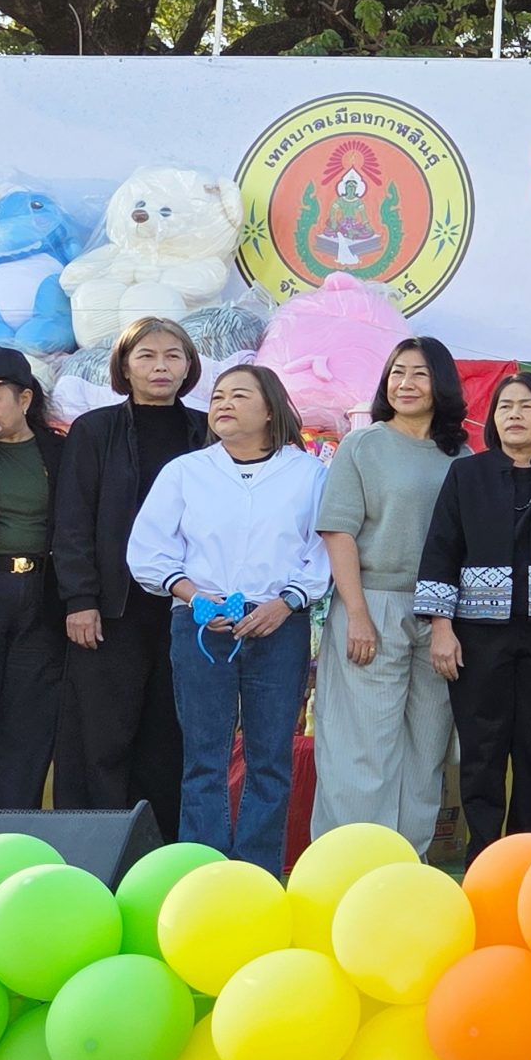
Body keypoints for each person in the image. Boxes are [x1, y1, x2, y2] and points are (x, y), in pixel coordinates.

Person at [126, 365, 330, 873]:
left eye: (239, 395)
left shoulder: (308, 475)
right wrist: (194, 596)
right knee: (204, 757)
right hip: (200, 625)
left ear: (270, 410)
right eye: (218, 396)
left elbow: (322, 549)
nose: (224, 404)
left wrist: (286, 602)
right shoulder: (185, 472)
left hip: (279, 624)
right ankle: (205, 870)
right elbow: (148, 548)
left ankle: (258, 873)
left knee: (270, 758)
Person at [312, 336, 470, 850]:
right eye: (397, 372)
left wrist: (447, 621)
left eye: (420, 373)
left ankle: (407, 865)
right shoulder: (363, 445)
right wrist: (357, 614)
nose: (406, 383)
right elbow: (338, 532)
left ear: (441, 383)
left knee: (426, 748)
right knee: (363, 749)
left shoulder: (461, 456)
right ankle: (352, 866)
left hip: (441, 615)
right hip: (372, 602)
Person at [52, 317, 205, 833]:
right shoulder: (95, 430)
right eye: (147, 356)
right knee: (102, 733)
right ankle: (93, 842)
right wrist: (80, 599)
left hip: (187, 608)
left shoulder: (207, 430)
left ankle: (161, 845)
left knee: (169, 732)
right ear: (124, 366)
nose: (161, 367)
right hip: (112, 607)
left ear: (189, 366)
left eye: (173, 356)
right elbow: (73, 519)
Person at [417, 373, 531, 864]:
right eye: (505, 406)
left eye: (527, 405)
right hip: (477, 637)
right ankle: (484, 859)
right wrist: (441, 629)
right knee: (481, 751)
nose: (514, 415)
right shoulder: (468, 474)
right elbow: (441, 549)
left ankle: (529, 858)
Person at [0, 348, 64, 807]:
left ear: (24, 399)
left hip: (42, 594)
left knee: (30, 718)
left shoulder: (59, 452)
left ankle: (14, 824)